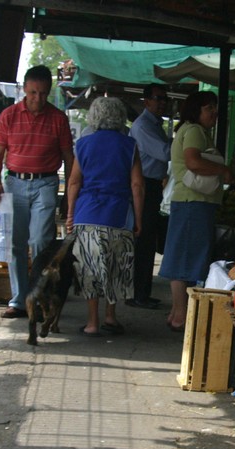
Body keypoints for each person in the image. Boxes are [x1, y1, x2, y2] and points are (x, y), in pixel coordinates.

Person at [0, 65, 74, 318]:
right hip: (15, 183)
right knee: (15, 243)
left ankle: (38, 297)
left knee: (40, 241)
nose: (38, 98)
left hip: (46, 183)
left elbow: (69, 157)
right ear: (25, 89)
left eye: (43, 93)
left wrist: (70, 195)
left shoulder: (58, 119)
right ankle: (18, 300)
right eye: (33, 93)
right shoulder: (9, 116)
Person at [66, 97, 145, 337]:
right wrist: (138, 219)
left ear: (93, 117)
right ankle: (110, 317)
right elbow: (137, 185)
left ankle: (92, 323)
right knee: (115, 267)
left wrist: (70, 214)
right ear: (120, 117)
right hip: (117, 216)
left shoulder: (83, 144)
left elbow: (74, 182)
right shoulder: (129, 145)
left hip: (86, 215)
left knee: (89, 269)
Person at [159, 91, 232, 332]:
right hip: (194, 202)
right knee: (186, 261)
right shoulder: (194, 131)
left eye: (215, 107)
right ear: (195, 110)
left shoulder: (189, 130)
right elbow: (193, 162)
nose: (214, 113)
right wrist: (223, 170)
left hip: (190, 202)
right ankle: (181, 315)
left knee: (182, 257)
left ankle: (176, 312)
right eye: (208, 108)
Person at [127, 83, 171, 310]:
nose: (162, 102)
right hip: (144, 185)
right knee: (142, 240)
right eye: (158, 98)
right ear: (146, 101)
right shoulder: (143, 126)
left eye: (165, 98)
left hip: (153, 185)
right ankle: (137, 294)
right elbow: (164, 152)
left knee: (147, 240)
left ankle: (143, 291)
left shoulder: (155, 125)